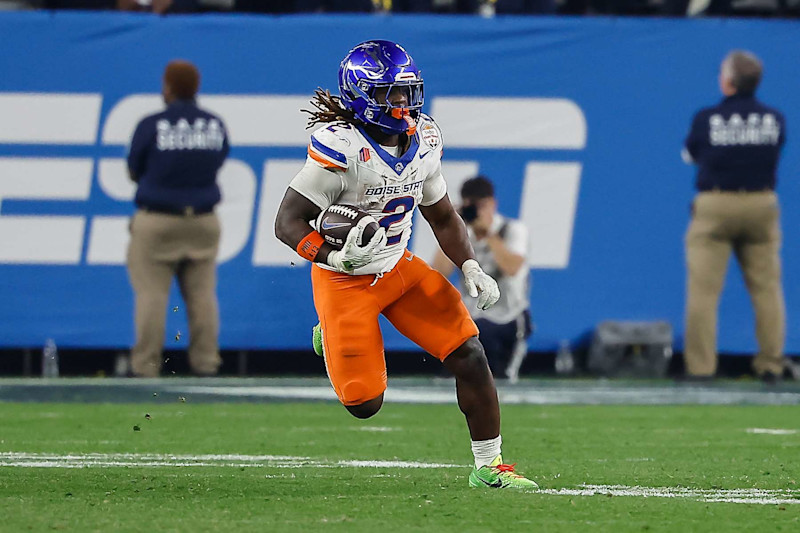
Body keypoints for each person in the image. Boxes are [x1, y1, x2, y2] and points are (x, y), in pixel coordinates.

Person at [274, 40, 537, 489]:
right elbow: (288, 222)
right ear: (360, 95)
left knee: (470, 352)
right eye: (388, 94)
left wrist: (470, 266)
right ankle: (329, 330)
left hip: (398, 266)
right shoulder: (341, 148)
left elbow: (442, 215)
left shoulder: (424, 139)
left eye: (406, 92)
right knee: (364, 404)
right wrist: (333, 255)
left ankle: (489, 467)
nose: (401, 103)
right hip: (344, 279)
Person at [682, 50, 787, 383]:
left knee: (704, 291)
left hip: (716, 203)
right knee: (767, 289)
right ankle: (770, 365)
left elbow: (690, 155)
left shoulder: (707, 117)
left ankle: (701, 369)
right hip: (761, 203)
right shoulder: (775, 118)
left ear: (727, 81)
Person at [126, 60, 229, 377]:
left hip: (158, 218)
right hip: (203, 220)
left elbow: (134, 168)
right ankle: (206, 364)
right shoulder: (214, 124)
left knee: (152, 295)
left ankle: (146, 367)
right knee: (202, 296)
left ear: (167, 87)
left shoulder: (152, 124)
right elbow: (220, 158)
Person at [432, 176, 532, 383]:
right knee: (454, 375)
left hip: (508, 317)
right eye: (472, 207)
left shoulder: (511, 229)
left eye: (482, 206)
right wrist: (450, 228)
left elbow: (512, 268)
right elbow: (438, 272)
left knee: (500, 378)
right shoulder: (462, 233)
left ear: (493, 204)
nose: (478, 212)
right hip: (472, 319)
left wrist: (488, 234)